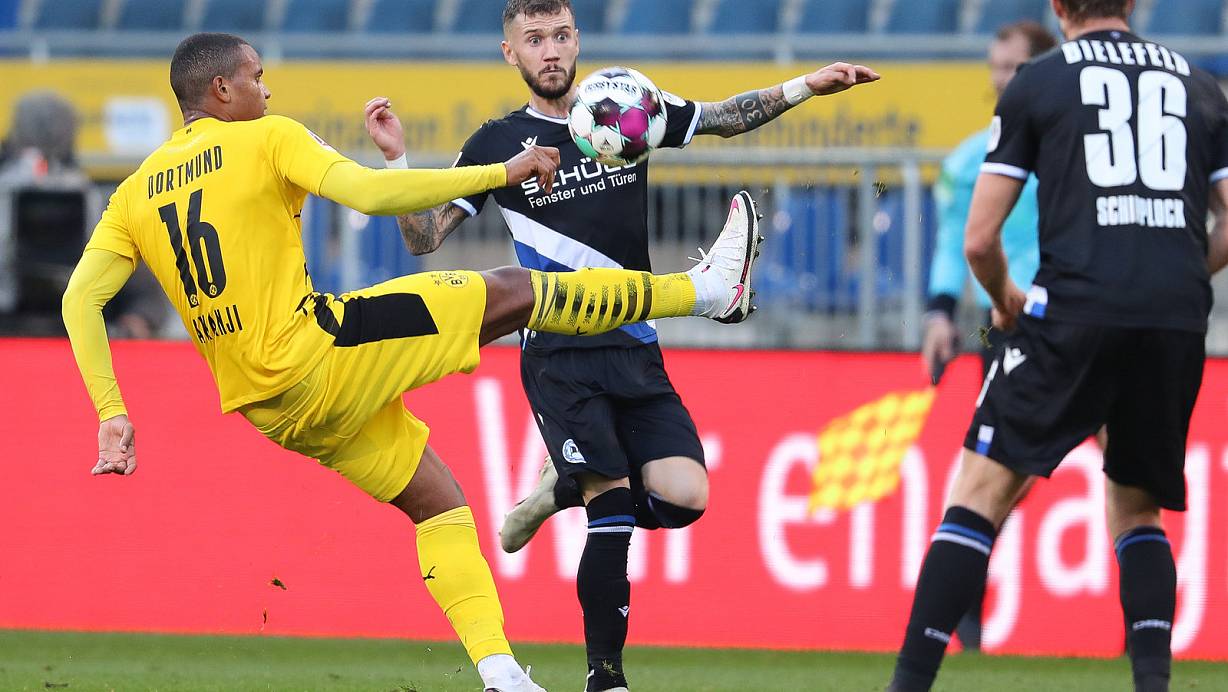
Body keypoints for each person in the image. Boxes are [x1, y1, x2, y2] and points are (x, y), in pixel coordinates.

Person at [61, 32, 763, 692]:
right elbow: (367, 195)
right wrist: (502, 170)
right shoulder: (265, 138)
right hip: (321, 353)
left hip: (270, 409)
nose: (267, 93)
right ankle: (702, 291)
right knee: (512, 291)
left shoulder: (135, 193)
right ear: (220, 89)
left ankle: (500, 673)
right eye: (257, 78)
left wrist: (112, 414)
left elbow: (78, 301)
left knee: (438, 504)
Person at [363, 2, 879, 690]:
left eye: (561, 36)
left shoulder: (624, 105)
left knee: (686, 496)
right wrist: (398, 159)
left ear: (578, 41)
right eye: (535, 39)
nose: (551, 51)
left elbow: (723, 117)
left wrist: (805, 87)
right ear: (509, 53)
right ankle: (605, 677)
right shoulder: (498, 143)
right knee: (612, 511)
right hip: (560, 352)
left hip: (636, 344)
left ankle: (557, 492)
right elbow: (425, 238)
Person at [889, 0, 1228, 690]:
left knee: (979, 494)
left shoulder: (1039, 83)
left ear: (1056, 6)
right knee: (1136, 508)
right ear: (1132, 3)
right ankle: (1153, 684)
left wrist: (1007, 298)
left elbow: (979, 239)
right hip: (1172, 320)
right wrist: (1182, 270)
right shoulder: (1199, 85)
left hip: (1068, 311)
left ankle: (908, 684)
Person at [920, 20, 1056, 652]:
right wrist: (940, 314)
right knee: (986, 487)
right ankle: (966, 635)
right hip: (1005, 328)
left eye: (1016, 68)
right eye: (997, 66)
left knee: (1120, 477)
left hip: (1074, 322)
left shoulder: (1068, 152)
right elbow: (953, 242)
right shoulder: (967, 160)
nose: (1002, 79)